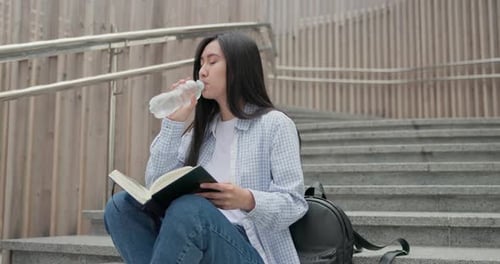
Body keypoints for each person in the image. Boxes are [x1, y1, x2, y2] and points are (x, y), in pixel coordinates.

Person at [104, 31, 308, 264]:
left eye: (212, 62)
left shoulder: (275, 124)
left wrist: (247, 199)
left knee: (190, 209)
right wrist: (173, 122)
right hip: (192, 235)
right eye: (201, 63)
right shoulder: (199, 132)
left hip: (250, 249)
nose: (202, 71)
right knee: (120, 207)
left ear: (239, 67)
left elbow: (294, 204)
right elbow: (154, 182)